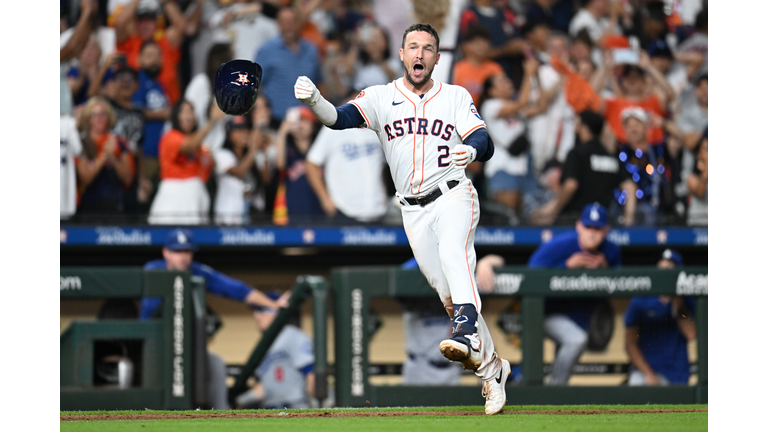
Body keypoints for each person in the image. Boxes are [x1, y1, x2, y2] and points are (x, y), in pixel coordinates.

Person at [293, 23, 510, 415]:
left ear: (437, 58)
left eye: (428, 48)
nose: (420, 54)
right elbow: (339, 119)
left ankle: (467, 335)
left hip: (453, 194)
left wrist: (472, 153)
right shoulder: (380, 97)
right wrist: (316, 101)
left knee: (454, 256)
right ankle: (493, 370)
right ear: (402, 54)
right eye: (413, 46)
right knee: (449, 296)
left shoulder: (455, 96)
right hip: (411, 209)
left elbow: (484, 140)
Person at [141, 229, 288, 409]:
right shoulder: (152, 270)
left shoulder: (196, 271)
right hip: (155, 347)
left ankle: (220, 416)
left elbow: (236, 289)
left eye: (187, 251)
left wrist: (273, 305)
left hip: (187, 349)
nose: (183, 256)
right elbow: (146, 317)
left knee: (216, 364)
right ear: (166, 253)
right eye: (177, 251)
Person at [529, 203, 620, 385]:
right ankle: (555, 391)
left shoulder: (610, 250)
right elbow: (530, 275)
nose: (592, 233)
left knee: (572, 341)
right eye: (588, 227)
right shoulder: (559, 245)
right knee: (576, 340)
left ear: (606, 231)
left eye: (598, 228)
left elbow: (620, 280)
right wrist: (567, 267)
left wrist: (605, 269)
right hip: (545, 313)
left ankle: (555, 396)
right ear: (579, 226)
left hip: (578, 317)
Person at [531, 109, 637, 226]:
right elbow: (630, 187)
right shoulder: (611, 157)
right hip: (601, 222)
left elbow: (570, 185)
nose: (573, 129)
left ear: (584, 129)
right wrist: (628, 219)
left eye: (576, 125)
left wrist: (552, 211)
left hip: (576, 221)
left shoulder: (577, 154)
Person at [305, 96, 389, 224]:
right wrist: (326, 200)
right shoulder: (333, 127)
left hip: (379, 212)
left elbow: (383, 166)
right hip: (346, 212)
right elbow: (311, 163)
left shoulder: (377, 128)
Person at [624, 249, 696, 386]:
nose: (664, 274)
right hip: (646, 372)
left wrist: (677, 302)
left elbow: (690, 334)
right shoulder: (641, 299)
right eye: (661, 269)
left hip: (677, 374)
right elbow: (629, 344)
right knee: (636, 385)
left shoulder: (686, 300)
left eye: (669, 270)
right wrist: (648, 374)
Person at [235, 291, 316, 409]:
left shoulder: (293, 336)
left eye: (262, 311)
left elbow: (311, 374)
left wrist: (314, 411)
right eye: (256, 311)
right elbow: (267, 386)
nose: (256, 316)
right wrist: (239, 402)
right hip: (272, 410)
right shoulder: (267, 343)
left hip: (296, 409)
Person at [147, 100, 223, 225]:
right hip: (175, 195)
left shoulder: (199, 144)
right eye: (184, 111)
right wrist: (212, 121)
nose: (189, 115)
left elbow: (206, 170)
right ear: (176, 116)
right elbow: (188, 146)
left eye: (191, 111)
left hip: (195, 194)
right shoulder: (170, 136)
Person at [479, 59, 537, 216]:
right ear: (491, 91)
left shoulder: (513, 107)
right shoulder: (490, 106)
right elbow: (522, 103)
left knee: (527, 218)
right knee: (507, 218)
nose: (508, 82)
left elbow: (542, 107)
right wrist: (529, 74)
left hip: (522, 167)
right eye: (501, 81)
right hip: (502, 168)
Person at [399, 257, 464, 386]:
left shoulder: (454, 294)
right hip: (419, 367)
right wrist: (429, 255)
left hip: (450, 370)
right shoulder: (412, 294)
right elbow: (402, 273)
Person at [255, 6, 324, 122]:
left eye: (292, 21)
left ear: (299, 23)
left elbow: (320, 82)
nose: (289, 26)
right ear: (278, 24)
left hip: (308, 121)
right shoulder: (266, 50)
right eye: (284, 22)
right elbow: (255, 84)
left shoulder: (311, 50)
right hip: (277, 119)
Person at [115, 0, 187, 104]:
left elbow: (181, 25)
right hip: (136, 109)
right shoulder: (130, 43)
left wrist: (164, 2)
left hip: (169, 108)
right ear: (135, 23)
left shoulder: (166, 42)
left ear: (156, 23)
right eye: (141, 21)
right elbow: (120, 22)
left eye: (150, 20)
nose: (145, 25)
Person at [76, 96, 137, 217]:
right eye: (94, 114)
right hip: (87, 206)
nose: (99, 118)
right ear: (88, 118)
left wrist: (113, 157)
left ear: (109, 117)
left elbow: (127, 178)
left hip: (115, 205)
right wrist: (105, 155)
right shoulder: (81, 143)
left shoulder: (119, 142)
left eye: (103, 114)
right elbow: (86, 179)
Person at [132, 39, 172, 201]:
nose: (154, 60)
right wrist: (162, 114)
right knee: (141, 199)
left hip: (160, 154)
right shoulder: (137, 82)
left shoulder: (159, 85)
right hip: (145, 154)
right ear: (139, 59)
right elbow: (134, 111)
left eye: (157, 56)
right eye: (149, 56)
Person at [275, 106, 324, 223]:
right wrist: (282, 132)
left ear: (313, 125)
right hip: (293, 212)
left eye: (305, 120)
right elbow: (279, 164)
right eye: (297, 121)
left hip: (320, 211)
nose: (300, 125)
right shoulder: (288, 152)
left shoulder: (321, 150)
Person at [213, 115, 262, 225]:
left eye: (246, 130)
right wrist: (253, 148)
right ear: (229, 134)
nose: (244, 134)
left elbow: (267, 179)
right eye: (239, 130)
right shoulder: (222, 154)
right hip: (227, 217)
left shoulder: (253, 155)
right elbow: (239, 172)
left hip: (251, 215)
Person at [451, 25, 505, 106]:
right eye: (477, 43)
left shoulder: (495, 69)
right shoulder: (457, 69)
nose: (481, 47)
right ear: (466, 46)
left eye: (484, 43)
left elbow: (504, 95)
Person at [61, 113, 84, 220]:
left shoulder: (70, 123)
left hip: (64, 174)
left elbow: (78, 150)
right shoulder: (69, 123)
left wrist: (77, 129)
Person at [684, 133, 707, 226]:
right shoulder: (691, 176)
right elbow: (700, 191)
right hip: (698, 224)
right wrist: (706, 171)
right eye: (707, 150)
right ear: (699, 154)